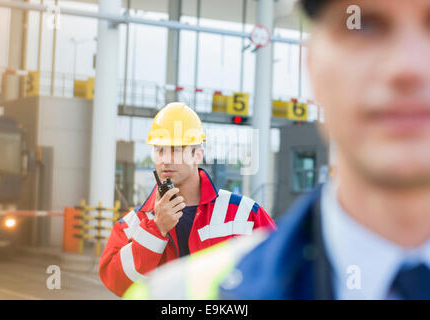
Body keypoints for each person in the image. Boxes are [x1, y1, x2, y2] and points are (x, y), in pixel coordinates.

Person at [124, 0, 430, 300]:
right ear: (312, 67)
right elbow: (118, 275)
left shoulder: (242, 216)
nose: (406, 67)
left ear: (197, 153)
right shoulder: (176, 292)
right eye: (366, 27)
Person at [99, 102, 276, 297]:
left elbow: (281, 267)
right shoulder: (134, 223)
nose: (166, 159)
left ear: (197, 155)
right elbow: (116, 283)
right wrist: (156, 229)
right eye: (160, 150)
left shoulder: (244, 213)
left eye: (176, 149)